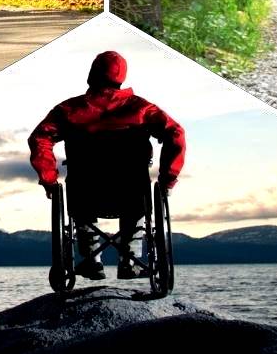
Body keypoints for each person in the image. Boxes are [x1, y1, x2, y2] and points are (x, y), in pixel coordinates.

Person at [28, 50, 186, 280]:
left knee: (80, 199)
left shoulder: (68, 110)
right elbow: (176, 134)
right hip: (132, 191)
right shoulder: (142, 109)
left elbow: (39, 139)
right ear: (121, 78)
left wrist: (49, 180)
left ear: (91, 75)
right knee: (137, 195)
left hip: (85, 192)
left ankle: (92, 261)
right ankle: (130, 261)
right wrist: (168, 179)